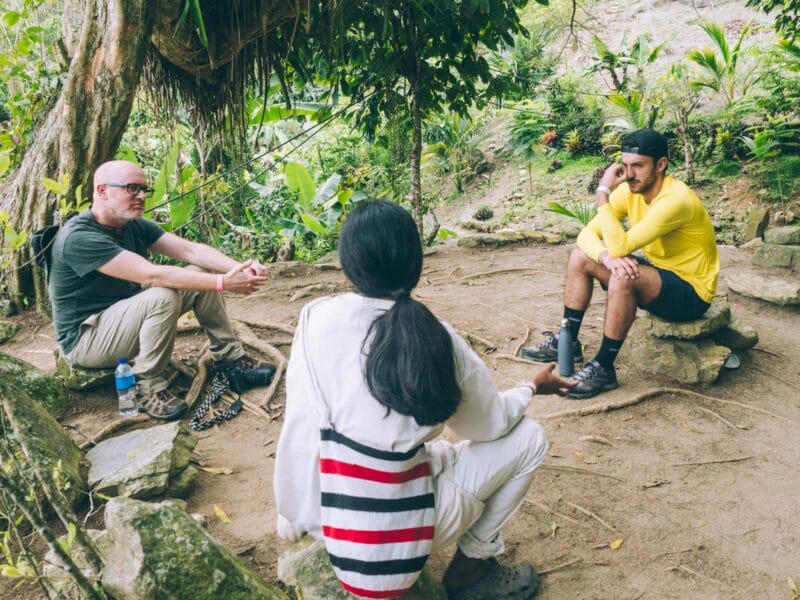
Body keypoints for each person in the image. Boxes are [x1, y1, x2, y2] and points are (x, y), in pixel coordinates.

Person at [274, 199, 574, 600]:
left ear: (348, 262)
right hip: (388, 558)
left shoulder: (314, 317)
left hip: (310, 514)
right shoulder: (438, 339)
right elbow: (489, 427)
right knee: (529, 438)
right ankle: (471, 568)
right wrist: (531, 387)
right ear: (416, 262)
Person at [49, 160, 270, 419]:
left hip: (123, 320)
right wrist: (224, 283)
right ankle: (149, 387)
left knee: (201, 274)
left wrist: (238, 268)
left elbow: (192, 251)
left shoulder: (131, 225)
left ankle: (229, 361)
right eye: (132, 188)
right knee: (162, 295)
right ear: (102, 191)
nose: (141, 196)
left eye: (144, 189)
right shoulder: (79, 237)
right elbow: (151, 275)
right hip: (86, 340)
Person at [520, 128, 719, 399]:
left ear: (661, 165)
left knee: (625, 276)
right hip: (658, 273)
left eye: (638, 166)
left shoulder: (675, 200)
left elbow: (621, 246)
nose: (629, 174)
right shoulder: (630, 191)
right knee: (582, 256)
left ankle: (603, 367)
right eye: (624, 166)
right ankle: (568, 341)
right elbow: (586, 235)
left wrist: (603, 193)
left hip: (691, 292)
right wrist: (605, 258)